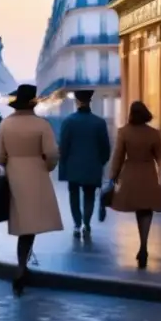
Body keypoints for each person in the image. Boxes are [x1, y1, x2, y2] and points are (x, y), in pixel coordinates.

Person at [0, 84, 63, 295]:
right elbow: (51, 154)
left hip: (14, 174)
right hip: (35, 175)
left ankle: (22, 265)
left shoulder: (5, 124)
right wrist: (46, 168)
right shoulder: (42, 125)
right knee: (30, 224)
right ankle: (22, 268)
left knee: (22, 223)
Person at [108, 101, 161, 268]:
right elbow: (160, 157)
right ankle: (144, 245)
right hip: (148, 173)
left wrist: (113, 176)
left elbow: (118, 156)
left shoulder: (124, 132)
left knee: (137, 207)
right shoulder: (154, 133)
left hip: (131, 172)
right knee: (146, 210)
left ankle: (143, 247)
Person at [58, 89, 111, 238]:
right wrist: (100, 161)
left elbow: (63, 146)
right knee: (89, 195)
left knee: (73, 195)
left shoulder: (68, 121)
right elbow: (105, 148)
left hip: (73, 165)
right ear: (90, 101)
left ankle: (77, 223)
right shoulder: (99, 122)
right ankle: (87, 223)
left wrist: (63, 163)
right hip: (92, 165)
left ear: (76, 101)